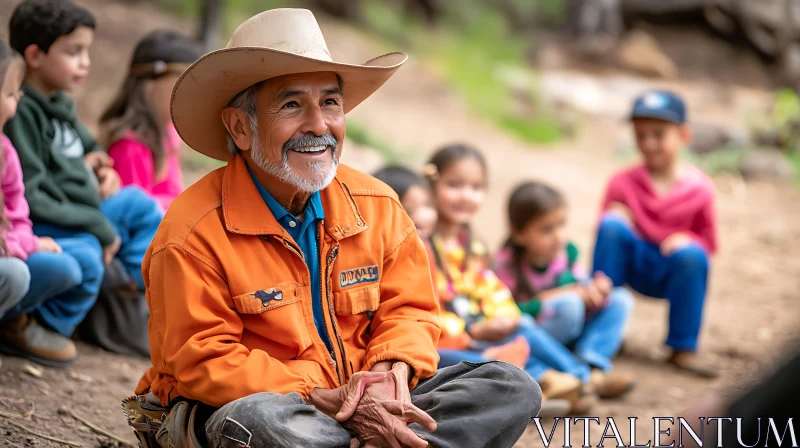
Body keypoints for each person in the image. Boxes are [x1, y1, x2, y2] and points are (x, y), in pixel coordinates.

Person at [126, 9, 541, 448]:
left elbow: (412, 311)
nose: (319, 126)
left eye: (330, 102)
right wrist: (327, 397)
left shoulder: (378, 206)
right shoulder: (192, 234)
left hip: (359, 401)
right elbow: (203, 362)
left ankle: (372, 438)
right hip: (274, 407)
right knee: (263, 421)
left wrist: (388, 375)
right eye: (291, 105)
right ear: (240, 127)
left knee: (511, 387)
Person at [424, 143, 635, 414]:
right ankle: (576, 380)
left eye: (476, 188)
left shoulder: (472, 247)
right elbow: (429, 303)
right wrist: (473, 331)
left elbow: (493, 293)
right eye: (454, 185)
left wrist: (503, 318)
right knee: (512, 341)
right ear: (432, 186)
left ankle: (566, 382)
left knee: (519, 328)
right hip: (456, 337)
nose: (466, 196)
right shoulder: (425, 245)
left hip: (483, 330)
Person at [4, 0, 164, 356]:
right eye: (74, 52)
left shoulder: (61, 104)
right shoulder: (22, 112)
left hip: (82, 210)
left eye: (88, 51)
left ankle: (139, 292)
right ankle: (38, 324)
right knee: (91, 253)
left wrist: (102, 167)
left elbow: (88, 146)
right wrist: (98, 225)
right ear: (35, 55)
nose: (86, 62)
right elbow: (33, 197)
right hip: (52, 221)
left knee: (139, 202)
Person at [592, 90, 718, 378]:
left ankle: (683, 347)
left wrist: (690, 240)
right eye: (640, 135)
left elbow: (709, 242)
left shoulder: (700, 189)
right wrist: (618, 218)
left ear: (684, 135)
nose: (649, 144)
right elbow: (604, 232)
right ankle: (601, 329)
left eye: (659, 134)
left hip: (671, 269)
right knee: (611, 225)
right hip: (632, 263)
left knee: (693, 255)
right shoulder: (622, 182)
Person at [0, 40, 103, 367]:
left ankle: (24, 326)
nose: (17, 99)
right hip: (17, 251)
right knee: (19, 272)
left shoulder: (6, 153)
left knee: (81, 259)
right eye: (10, 93)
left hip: (16, 246)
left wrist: (26, 241)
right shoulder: (27, 121)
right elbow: (40, 195)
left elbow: (18, 214)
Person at [494, 181, 635, 399]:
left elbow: (580, 284)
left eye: (561, 225)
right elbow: (511, 312)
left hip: (573, 330)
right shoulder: (506, 266)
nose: (559, 236)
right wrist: (567, 294)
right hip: (538, 338)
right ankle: (582, 376)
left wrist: (596, 289)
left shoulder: (566, 254)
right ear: (519, 234)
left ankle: (592, 361)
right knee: (569, 304)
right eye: (546, 229)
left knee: (621, 299)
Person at [101, 30, 203, 211]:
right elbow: (132, 217)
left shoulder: (170, 132)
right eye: (183, 85)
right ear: (150, 84)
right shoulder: (131, 147)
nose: (194, 96)